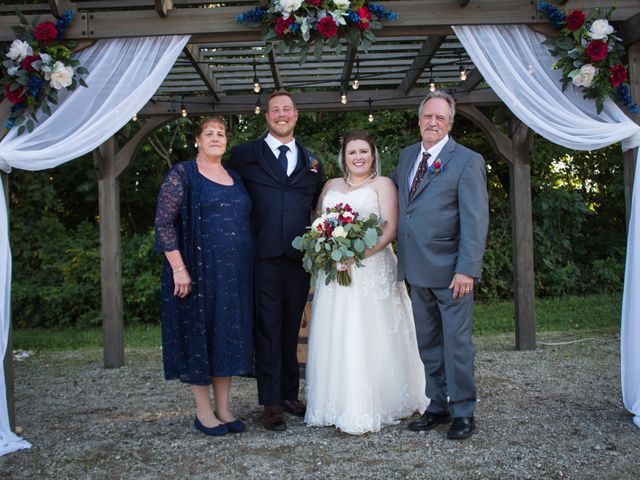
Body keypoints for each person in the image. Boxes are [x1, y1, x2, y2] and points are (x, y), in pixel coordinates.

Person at [304, 129, 428, 435]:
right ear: (343, 157)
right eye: (352, 152)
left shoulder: (383, 184)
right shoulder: (330, 185)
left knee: (373, 332)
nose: (358, 157)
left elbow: (389, 229)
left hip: (371, 268)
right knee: (337, 330)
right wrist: (329, 249)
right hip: (335, 271)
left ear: (373, 155)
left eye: (363, 151)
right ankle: (336, 402)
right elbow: (318, 222)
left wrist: (356, 255)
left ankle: (376, 401)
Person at [393, 91, 489, 440]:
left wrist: (467, 268)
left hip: (452, 272)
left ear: (450, 123)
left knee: (457, 343)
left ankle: (463, 410)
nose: (433, 123)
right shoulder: (406, 157)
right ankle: (438, 404)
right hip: (415, 268)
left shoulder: (466, 160)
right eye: (427, 116)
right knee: (428, 342)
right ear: (419, 120)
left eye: (440, 118)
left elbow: (476, 220)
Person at [228, 90, 324, 431]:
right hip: (262, 256)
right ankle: (269, 403)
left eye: (287, 109)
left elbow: (316, 205)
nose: (281, 114)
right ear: (266, 116)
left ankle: (288, 393)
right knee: (267, 328)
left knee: (290, 327)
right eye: (274, 110)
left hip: (298, 260)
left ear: (296, 115)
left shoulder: (313, 162)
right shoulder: (243, 155)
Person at [155, 116, 253, 437]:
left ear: (226, 141)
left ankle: (224, 409)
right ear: (198, 140)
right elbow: (164, 224)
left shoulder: (235, 177)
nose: (215, 137)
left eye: (220, 133)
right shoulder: (182, 174)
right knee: (200, 336)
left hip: (233, 275)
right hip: (196, 272)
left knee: (225, 338)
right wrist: (178, 268)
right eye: (208, 133)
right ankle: (203, 412)